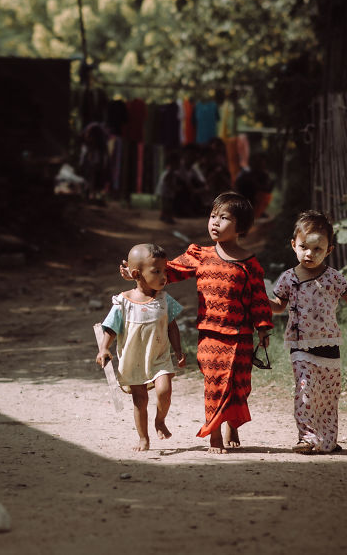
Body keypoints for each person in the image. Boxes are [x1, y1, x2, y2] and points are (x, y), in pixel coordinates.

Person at [120, 192, 273, 453]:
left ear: (241, 227)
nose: (214, 222)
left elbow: (258, 298)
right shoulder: (200, 256)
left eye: (224, 218)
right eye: (213, 216)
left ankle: (231, 425)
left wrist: (263, 328)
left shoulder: (250, 265)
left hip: (241, 335)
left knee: (239, 386)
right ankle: (213, 434)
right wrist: (138, 275)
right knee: (214, 385)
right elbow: (166, 271)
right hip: (211, 335)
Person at [269, 210, 347, 455]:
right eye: (304, 246)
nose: (309, 253)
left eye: (318, 249)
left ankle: (327, 441)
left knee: (328, 397)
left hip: (329, 345)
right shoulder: (288, 279)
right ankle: (307, 438)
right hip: (300, 346)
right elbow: (277, 307)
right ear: (293, 245)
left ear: (329, 250)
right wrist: (257, 301)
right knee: (305, 390)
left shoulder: (333, 278)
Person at [97, 243, 187, 452]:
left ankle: (160, 420)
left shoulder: (165, 299)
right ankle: (143, 438)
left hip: (159, 357)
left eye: (165, 270)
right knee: (140, 400)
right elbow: (110, 328)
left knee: (164, 390)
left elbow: (172, 327)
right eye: (157, 271)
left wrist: (178, 351)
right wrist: (103, 349)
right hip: (133, 360)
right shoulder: (122, 302)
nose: (164, 276)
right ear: (137, 273)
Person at [233, 153, 274, 219]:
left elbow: (267, 189)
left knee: (265, 196)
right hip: (243, 199)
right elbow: (237, 186)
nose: (261, 164)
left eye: (262, 163)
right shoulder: (245, 173)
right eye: (258, 162)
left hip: (255, 200)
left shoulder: (264, 175)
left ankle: (258, 213)